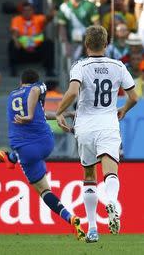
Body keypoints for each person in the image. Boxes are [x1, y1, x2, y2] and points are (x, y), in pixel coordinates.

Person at [55, 25, 138, 243]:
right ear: (107, 43)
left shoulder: (80, 65)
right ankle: (111, 200)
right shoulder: (118, 66)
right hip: (108, 124)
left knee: (89, 177)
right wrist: (124, 109)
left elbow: (73, 91)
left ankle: (92, 229)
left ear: (86, 44)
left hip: (85, 126)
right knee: (111, 170)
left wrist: (59, 111)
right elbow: (134, 97)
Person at [0, 69, 85, 241]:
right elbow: (40, 115)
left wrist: (28, 115)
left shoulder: (15, 94)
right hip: (45, 142)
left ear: (21, 82)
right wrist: (64, 113)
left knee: (40, 187)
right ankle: (71, 218)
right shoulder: (36, 90)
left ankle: (11, 157)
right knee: (45, 190)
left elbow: (34, 92)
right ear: (36, 80)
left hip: (27, 149)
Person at [9, 2, 55, 77]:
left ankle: (49, 70)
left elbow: (47, 19)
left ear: (33, 11)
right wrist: (16, 41)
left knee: (49, 43)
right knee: (12, 44)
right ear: (21, 12)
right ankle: (13, 70)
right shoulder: (17, 19)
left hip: (37, 50)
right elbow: (15, 32)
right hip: (23, 51)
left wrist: (51, 12)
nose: (27, 12)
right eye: (25, 10)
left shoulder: (38, 18)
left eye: (29, 10)